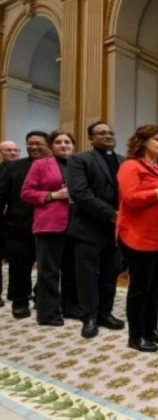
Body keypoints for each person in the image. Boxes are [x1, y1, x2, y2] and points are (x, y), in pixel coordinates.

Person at [117, 124, 158, 352]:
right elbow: (131, 197)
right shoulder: (130, 166)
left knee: (155, 285)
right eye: (156, 139)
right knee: (140, 286)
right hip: (138, 234)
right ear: (143, 141)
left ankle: (151, 328)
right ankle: (136, 336)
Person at [67, 121, 125, 338]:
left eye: (110, 132)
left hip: (116, 231)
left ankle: (105, 313)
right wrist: (112, 213)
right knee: (87, 276)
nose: (107, 136)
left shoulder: (123, 161)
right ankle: (89, 317)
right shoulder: (80, 159)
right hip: (88, 228)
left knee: (111, 273)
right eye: (101, 133)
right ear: (91, 138)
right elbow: (80, 193)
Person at [20, 130, 79, 326]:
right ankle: (48, 313)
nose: (64, 145)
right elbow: (26, 193)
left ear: (74, 146)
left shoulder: (78, 165)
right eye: (59, 142)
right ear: (51, 146)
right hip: (50, 223)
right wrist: (54, 195)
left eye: (68, 142)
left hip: (77, 224)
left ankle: (70, 307)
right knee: (49, 271)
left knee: (72, 269)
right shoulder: (40, 164)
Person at [0, 131, 50, 318]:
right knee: (19, 266)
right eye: (30, 144)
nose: (33, 147)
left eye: (38, 143)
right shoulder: (13, 167)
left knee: (48, 266)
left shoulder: (57, 165)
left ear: (48, 145)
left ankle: (41, 296)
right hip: (19, 225)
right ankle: (20, 301)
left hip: (49, 224)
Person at [0, 139, 21, 307]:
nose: (12, 153)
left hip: (16, 223)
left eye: (15, 150)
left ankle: (18, 293)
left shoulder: (25, 169)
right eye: (8, 150)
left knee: (17, 260)